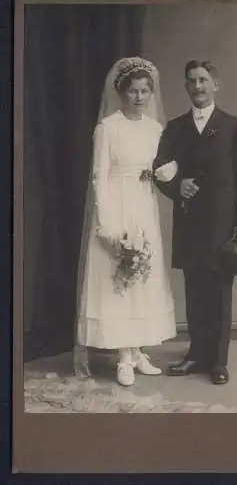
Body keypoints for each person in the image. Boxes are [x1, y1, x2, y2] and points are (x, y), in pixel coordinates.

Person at [74, 57, 176, 387]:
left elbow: (162, 167)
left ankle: (136, 351)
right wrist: (106, 223)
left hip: (144, 204)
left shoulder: (155, 128)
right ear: (121, 92)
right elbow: (98, 177)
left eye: (145, 91)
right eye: (133, 91)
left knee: (142, 276)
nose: (139, 97)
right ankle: (122, 357)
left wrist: (166, 172)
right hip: (117, 204)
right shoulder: (108, 127)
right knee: (118, 277)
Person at [153, 59, 237, 385]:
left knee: (220, 292)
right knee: (194, 289)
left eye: (203, 80)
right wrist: (176, 185)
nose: (197, 87)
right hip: (190, 221)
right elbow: (159, 167)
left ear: (216, 84)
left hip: (223, 224)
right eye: (191, 81)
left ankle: (218, 361)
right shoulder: (176, 127)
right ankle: (196, 354)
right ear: (186, 87)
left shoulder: (233, 125)